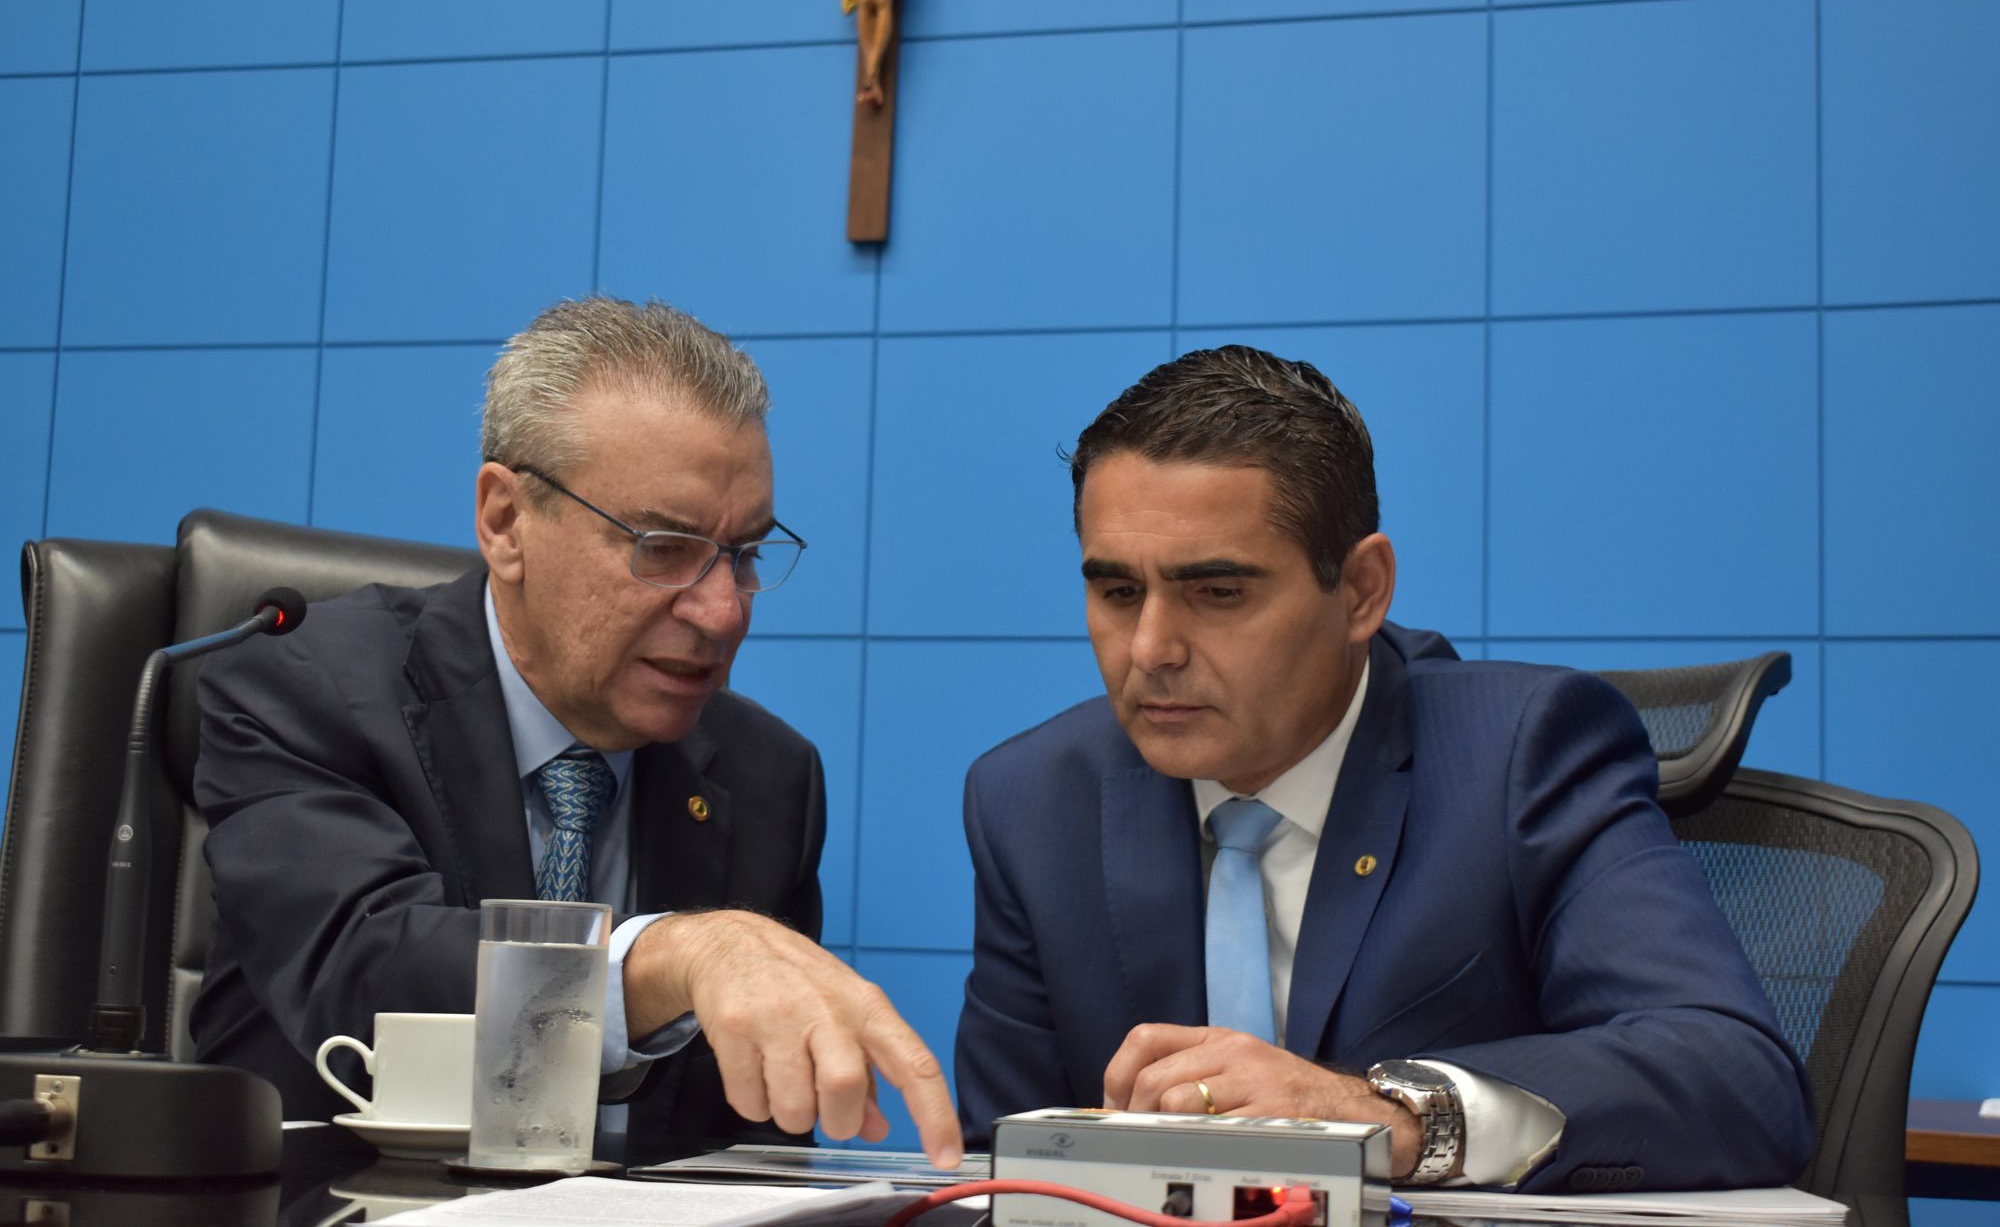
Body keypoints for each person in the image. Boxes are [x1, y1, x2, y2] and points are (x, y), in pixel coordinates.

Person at [954, 346, 1812, 1191]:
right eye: (1118, 593)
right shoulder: (1032, 802)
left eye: (1218, 592)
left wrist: (1384, 1111)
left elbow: (1734, 1077)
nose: (1151, 649)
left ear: (1362, 589)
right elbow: (1004, 1171)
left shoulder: (1519, 755)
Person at [191, 297, 960, 1168]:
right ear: (506, 521)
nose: (723, 612)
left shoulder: (768, 775)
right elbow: (367, 973)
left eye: (744, 554)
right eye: (663, 547)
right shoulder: (303, 687)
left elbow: (749, 1142)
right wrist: (664, 956)